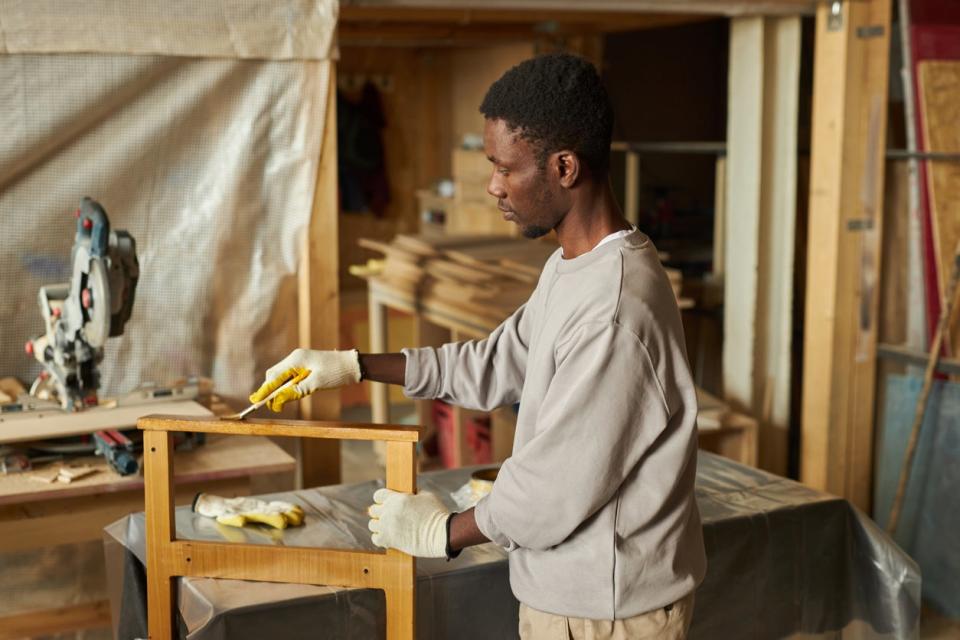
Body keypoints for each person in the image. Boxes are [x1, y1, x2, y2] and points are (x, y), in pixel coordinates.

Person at [251, 53, 705, 640]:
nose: (493, 185)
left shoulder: (615, 309)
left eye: (504, 167)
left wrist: (443, 531)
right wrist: (352, 365)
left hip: (606, 613)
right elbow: (490, 364)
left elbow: (551, 490)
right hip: (575, 598)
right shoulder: (573, 269)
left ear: (564, 167)